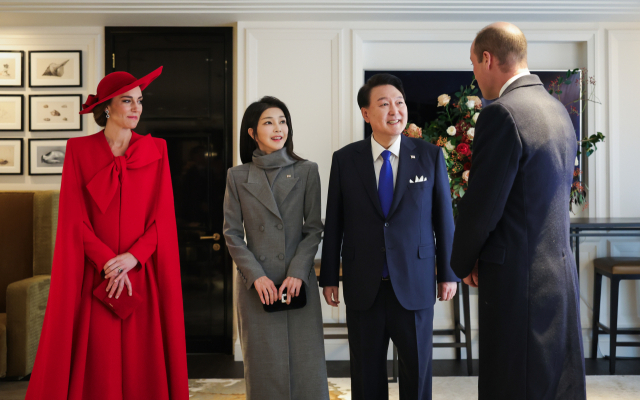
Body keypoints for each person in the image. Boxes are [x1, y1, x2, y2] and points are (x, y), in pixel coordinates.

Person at [26, 67, 189, 400]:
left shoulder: (157, 150)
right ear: (106, 108)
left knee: (142, 363)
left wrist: (131, 259)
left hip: (139, 274)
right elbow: (74, 220)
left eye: (139, 101)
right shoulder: (78, 150)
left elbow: (163, 220)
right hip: (95, 276)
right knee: (97, 364)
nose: (136, 108)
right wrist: (107, 263)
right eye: (127, 101)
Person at [450, 22, 586, 399]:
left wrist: (461, 261)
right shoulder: (556, 110)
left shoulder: (503, 114)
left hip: (516, 282)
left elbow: (483, 206)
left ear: (488, 58)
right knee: (551, 383)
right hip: (557, 271)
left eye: (474, 64)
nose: (475, 75)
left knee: (512, 385)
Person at [320, 73, 459, 400]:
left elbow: (444, 219)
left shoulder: (429, 156)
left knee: (418, 370)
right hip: (363, 283)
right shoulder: (345, 160)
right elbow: (335, 222)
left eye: (399, 103)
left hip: (415, 281)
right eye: (384, 104)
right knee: (366, 375)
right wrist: (329, 277)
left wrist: (448, 273)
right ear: (366, 114)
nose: (395, 110)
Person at [223, 96, 329, 400]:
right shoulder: (237, 176)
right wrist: (256, 277)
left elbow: (313, 229)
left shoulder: (307, 170)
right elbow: (232, 233)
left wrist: (298, 272)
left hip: (298, 282)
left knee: (306, 368)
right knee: (264, 369)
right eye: (268, 122)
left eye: (282, 121)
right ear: (252, 133)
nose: (278, 127)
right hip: (257, 285)